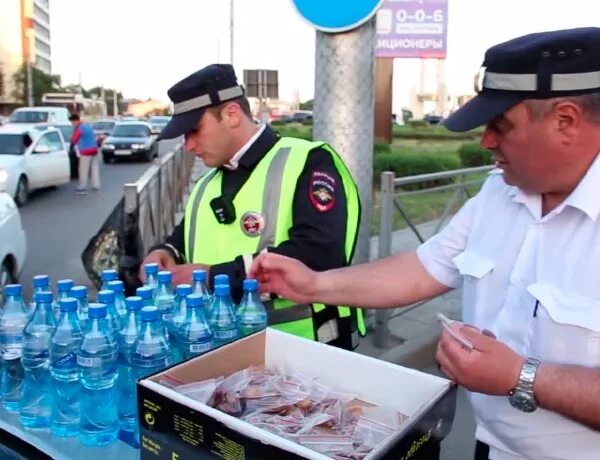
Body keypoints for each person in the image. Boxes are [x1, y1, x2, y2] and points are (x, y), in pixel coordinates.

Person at [249, 27, 600, 460]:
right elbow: (424, 267)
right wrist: (313, 285)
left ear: (565, 120)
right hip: (493, 447)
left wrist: (519, 376)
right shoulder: (500, 193)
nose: (486, 141)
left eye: (500, 125)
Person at [139, 64, 366, 350]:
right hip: (224, 347)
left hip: (303, 351)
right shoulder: (207, 182)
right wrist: (165, 251)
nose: (189, 145)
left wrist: (212, 277)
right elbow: (188, 235)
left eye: (194, 130)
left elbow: (319, 253)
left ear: (232, 114)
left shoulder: (308, 161)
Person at [69, 113, 100, 193]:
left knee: (83, 169)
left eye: (72, 122)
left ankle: (82, 186)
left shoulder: (79, 128)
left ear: (75, 121)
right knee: (94, 168)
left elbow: (74, 140)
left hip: (86, 151)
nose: (72, 124)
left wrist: (72, 135)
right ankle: (96, 185)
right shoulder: (87, 126)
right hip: (94, 150)